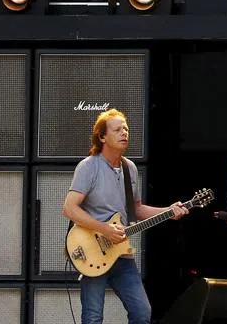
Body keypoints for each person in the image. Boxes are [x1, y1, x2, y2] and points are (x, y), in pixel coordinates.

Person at [62, 108, 189, 324]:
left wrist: (168, 211)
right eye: (118, 129)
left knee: (142, 313)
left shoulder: (130, 168)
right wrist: (104, 229)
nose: (125, 133)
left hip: (122, 256)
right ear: (102, 136)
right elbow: (69, 209)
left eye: (126, 129)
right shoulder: (88, 166)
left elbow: (136, 209)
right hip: (94, 252)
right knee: (93, 317)